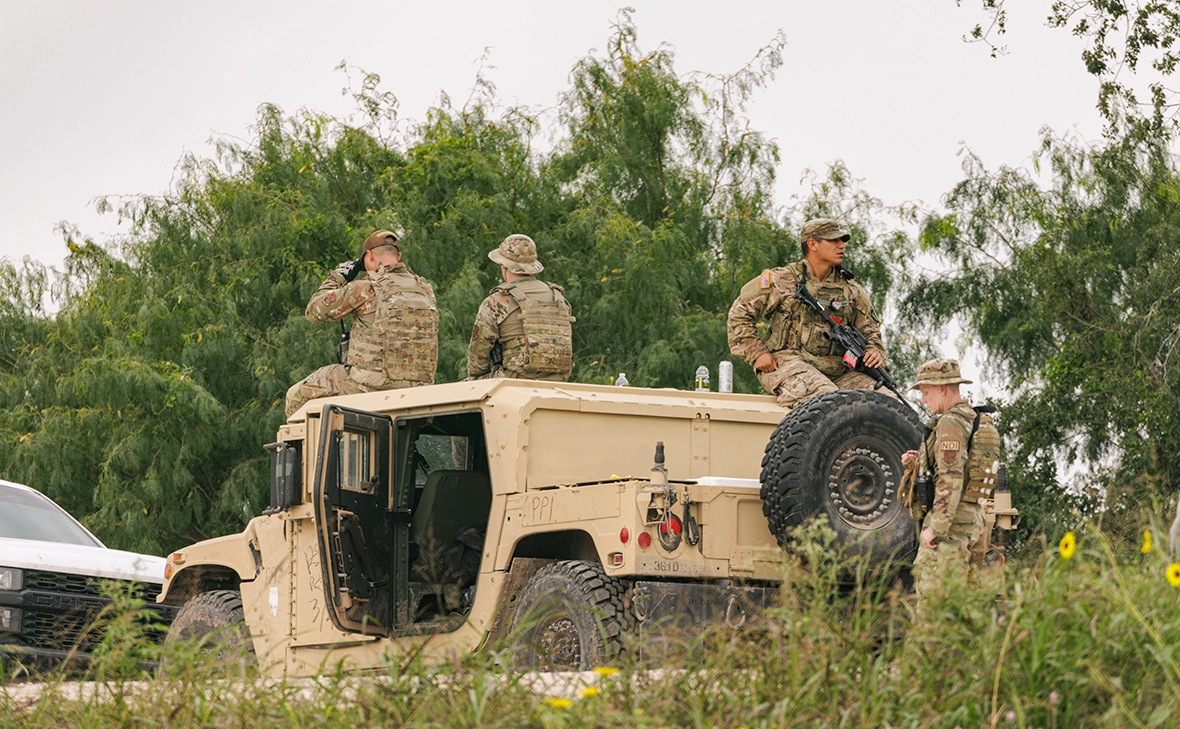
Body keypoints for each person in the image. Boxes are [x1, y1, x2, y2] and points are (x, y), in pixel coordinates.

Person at [727, 218, 887, 409]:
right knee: (829, 403)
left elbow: (871, 333)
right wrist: (758, 353)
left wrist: (874, 352)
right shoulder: (781, 279)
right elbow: (739, 315)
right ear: (812, 244)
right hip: (788, 363)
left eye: (842, 240)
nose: (841, 245)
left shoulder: (851, 290)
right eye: (833, 240)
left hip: (839, 372)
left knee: (886, 403)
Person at [285, 229, 438, 417]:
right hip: (421, 388)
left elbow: (314, 310)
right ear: (398, 256)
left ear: (369, 256)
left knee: (296, 396)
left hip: (371, 384)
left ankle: (306, 446)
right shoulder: (425, 289)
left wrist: (338, 277)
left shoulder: (365, 288)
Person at [902, 359, 1002, 599]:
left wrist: (936, 527)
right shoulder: (974, 419)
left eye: (926, 392)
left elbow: (951, 478)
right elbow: (964, 469)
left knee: (933, 604)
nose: (924, 399)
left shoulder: (950, 422)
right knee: (967, 606)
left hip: (951, 527)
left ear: (943, 388)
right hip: (973, 520)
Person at [467, 234, 574, 381]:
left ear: (504, 266)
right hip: (557, 381)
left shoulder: (496, 301)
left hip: (513, 381)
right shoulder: (560, 299)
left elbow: (477, 360)